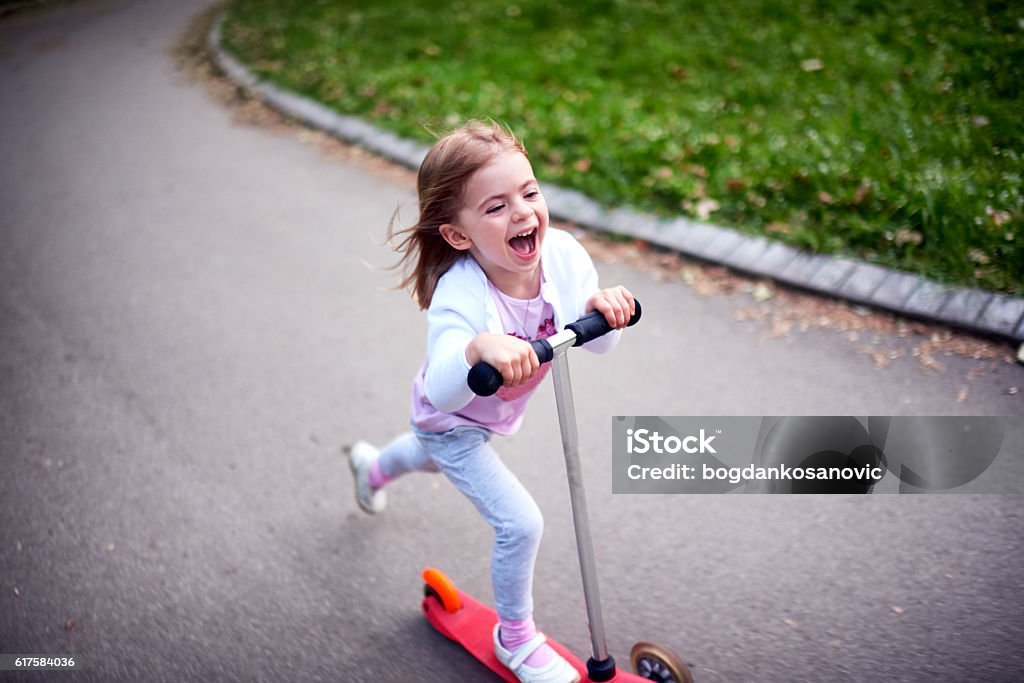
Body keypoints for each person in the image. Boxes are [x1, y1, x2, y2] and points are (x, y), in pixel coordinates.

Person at [347, 120, 634, 683]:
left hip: (490, 418)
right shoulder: (461, 290)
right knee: (520, 523)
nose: (524, 213)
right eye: (497, 207)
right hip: (451, 421)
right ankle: (516, 640)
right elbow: (442, 387)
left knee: (419, 456)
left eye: (529, 193)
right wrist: (478, 346)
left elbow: (598, 344)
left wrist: (605, 309)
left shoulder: (562, 254)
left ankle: (372, 468)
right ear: (459, 235)